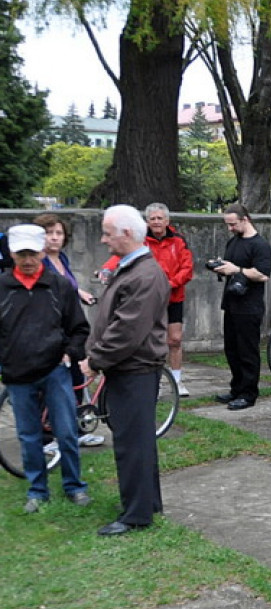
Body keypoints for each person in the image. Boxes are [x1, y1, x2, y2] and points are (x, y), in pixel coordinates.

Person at [81, 205, 170, 536]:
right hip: (130, 369)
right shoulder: (132, 269)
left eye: (108, 234)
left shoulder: (144, 275)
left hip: (135, 371)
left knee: (132, 444)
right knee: (138, 440)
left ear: (128, 234)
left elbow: (125, 331)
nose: (103, 240)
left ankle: (135, 515)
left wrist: (94, 361)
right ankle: (148, 504)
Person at [0, 224, 92, 514]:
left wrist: (69, 353)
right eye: (21, 254)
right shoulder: (2, 287)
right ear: (12, 254)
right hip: (17, 375)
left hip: (54, 370)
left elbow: (79, 328)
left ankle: (74, 486)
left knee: (66, 431)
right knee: (28, 436)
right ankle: (37, 490)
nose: (28, 260)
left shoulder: (59, 286)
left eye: (33, 253)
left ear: (42, 251)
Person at [96, 204, 195, 397]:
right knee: (150, 340)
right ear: (147, 221)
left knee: (175, 340)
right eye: (152, 219)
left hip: (173, 296)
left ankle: (177, 380)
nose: (156, 222)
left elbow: (187, 268)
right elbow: (122, 255)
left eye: (160, 218)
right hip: (149, 298)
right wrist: (106, 269)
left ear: (167, 221)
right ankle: (155, 382)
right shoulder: (141, 240)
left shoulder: (178, 241)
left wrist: (169, 284)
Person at [33, 212, 105, 447]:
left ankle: (76, 429)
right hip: (51, 329)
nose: (54, 237)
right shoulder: (38, 262)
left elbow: (67, 286)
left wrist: (80, 292)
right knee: (50, 382)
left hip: (71, 327)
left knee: (76, 376)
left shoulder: (61, 259)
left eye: (59, 233)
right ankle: (46, 435)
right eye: (49, 233)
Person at [212, 203, 271, 411]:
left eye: (233, 224)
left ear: (245, 219)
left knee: (247, 351)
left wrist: (237, 270)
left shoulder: (260, 245)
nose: (230, 228)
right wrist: (220, 267)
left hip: (249, 306)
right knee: (232, 350)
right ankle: (236, 388)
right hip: (231, 303)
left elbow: (263, 274)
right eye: (227, 224)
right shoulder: (234, 242)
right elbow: (231, 267)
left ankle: (248, 393)